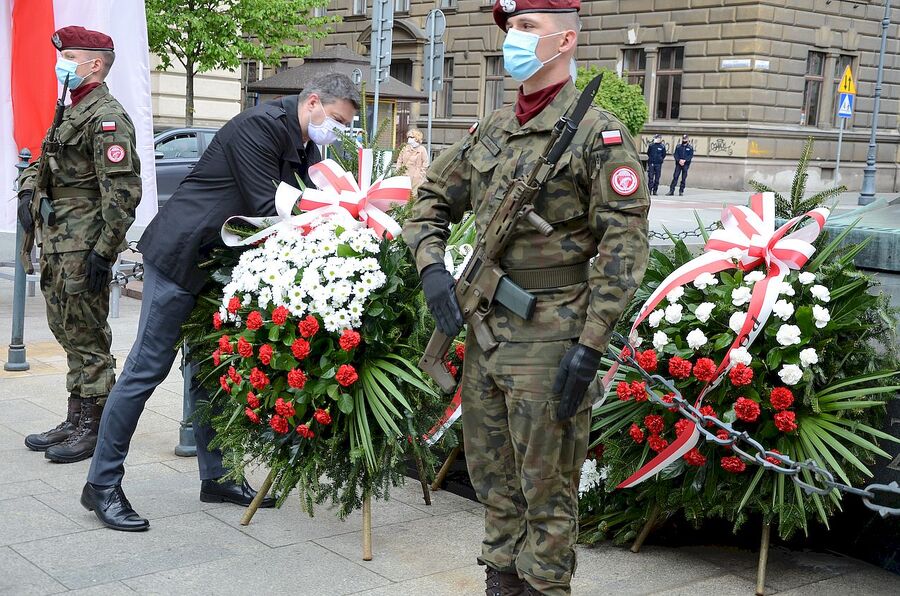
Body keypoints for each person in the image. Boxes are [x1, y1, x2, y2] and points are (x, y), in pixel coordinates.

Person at [402, 2, 650, 594]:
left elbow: (624, 248)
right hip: (487, 332)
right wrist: (432, 267)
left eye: (526, 28)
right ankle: (501, 582)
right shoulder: (492, 127)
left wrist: (591, 345)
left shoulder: (599, 134)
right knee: (492, 481)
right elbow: (430, 199)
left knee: (548, 490)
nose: (513, 37)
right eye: (510, 28)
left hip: (552, 334)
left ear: (563, 41)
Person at [82, 73, 361, 531]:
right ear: (312, 102)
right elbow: (264, 207)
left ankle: (218, 477)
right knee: (144, 371)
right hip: (181, 256)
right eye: (336, 120)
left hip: (220, 269)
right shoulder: (260, 126)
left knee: (212, 374)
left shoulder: (305, 144)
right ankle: (102, 484)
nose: (338, 131)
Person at [17, 27, 141, 464]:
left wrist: (104, 252)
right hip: (60, 241)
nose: (61, 64)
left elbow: (123, 192)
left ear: (94, 63)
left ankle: (94, 425)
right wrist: (28, 189)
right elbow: (44, 162)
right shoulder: (72, 110)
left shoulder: (106, 116)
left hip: (84, 244)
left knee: (88, 335)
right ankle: (76, 417)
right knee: (66, 329)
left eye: (69, 56)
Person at [395, 128, 430, 195]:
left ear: (416, 138)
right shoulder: (405, 148)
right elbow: (399, 160)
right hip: (404, 176)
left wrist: (420, 175)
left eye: (411, 137)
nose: (409, 138)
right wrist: (398, 171)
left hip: (416, 178)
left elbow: (425, 163)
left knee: (413, 196)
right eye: (408, 137)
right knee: (403, 195)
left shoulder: (422, 150)